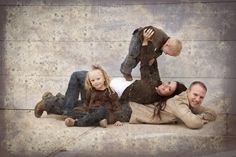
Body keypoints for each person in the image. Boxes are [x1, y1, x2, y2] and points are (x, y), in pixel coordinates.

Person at [128, 81, 217, 129]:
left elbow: (212, 114)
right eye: (195, 94)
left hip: (133, 110)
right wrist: (200, 118)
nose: (197, 99)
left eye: (201, 97)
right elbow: (194, 123)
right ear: (188, 91)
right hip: (130, 111)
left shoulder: (189, 102)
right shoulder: (178, 102)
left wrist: (198, 116)